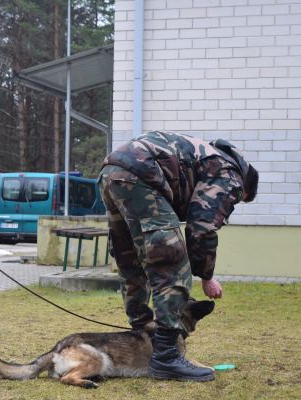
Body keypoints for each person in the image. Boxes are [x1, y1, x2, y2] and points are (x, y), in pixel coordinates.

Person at [98, 130, 258, 382]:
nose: (233, 202)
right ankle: (166, 356)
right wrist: (206, 276)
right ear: (245, 185)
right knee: (171, 262)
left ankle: (145, 338)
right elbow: (201, 227)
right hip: (143, 175)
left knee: (130, 259)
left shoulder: (206, 157)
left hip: (111, 172)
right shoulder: (230, 174)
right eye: (238, 200)